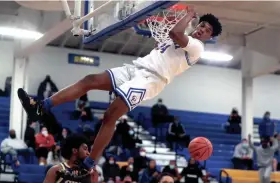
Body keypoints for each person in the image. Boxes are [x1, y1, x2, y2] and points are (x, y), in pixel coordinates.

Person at [17, 8, 222, 170]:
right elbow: (172, 32)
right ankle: (40, 107)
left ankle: (89, 163)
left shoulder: (197, 47)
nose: (202, 29)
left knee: (110, 115)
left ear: (208, 37)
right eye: (202, 25)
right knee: (90, 80)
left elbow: (175, 32)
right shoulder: (185, 37)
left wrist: (188, 14)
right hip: (137, 68)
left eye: (207, 30)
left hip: (151, 79)